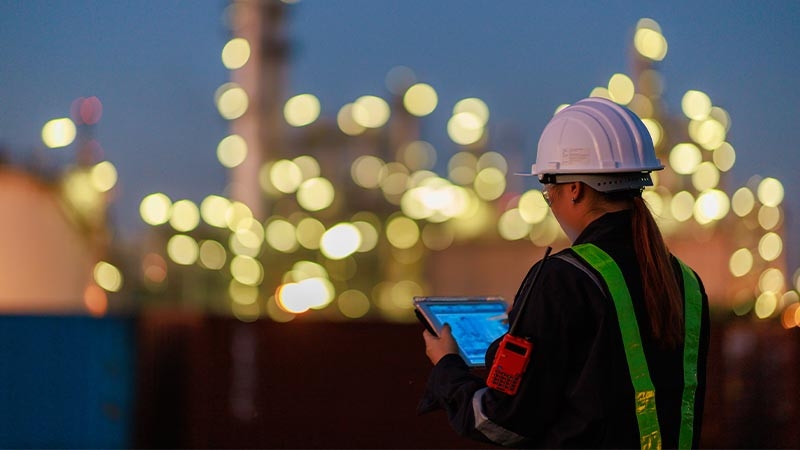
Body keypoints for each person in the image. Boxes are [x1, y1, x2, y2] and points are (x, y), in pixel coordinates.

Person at [419, 97, 710, 449]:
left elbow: (499, 420)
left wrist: (447, 366)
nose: (549, 200)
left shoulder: (563, 280)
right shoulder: (686, 281)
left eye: (547, 190)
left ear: (575, 188)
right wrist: (532, 323)